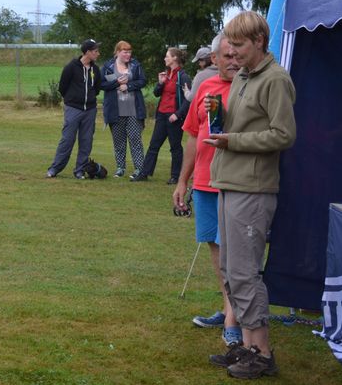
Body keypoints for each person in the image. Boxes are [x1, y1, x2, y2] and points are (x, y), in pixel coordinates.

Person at [205, 11, 296, 379]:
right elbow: (244, 125)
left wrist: (233, 140)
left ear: (259, 41)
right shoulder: (242, 77)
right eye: (230, 45)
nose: (232, 53)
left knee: (245, 272)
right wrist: (221, 114)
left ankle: (262, 353)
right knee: (231, 269)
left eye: (239, 45)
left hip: (254, 188)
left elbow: (283, 135)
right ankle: (245, 346)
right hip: (230, 182)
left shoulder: (276, 79)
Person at [173, 34, 241, 346]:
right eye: (226, 55)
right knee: (216, 247)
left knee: (235, 250)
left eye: (237, 53)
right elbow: (191, 136)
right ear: (214, 59)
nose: (233, 60)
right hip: (203, 181)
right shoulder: (206, 88)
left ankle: (233, 317)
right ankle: (230, 307)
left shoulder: (249, 87)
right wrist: (182, 181)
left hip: (237, 181)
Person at [133, 48, 192, 183]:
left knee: (175, 147)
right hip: (161, 115)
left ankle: (175, 177)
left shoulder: (183, 77)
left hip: (174, 118)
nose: (165, 59)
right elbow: (156, 93)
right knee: (154, 145)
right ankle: (144, 173)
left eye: (167, 56)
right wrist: (160, 82)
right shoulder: (166, 74)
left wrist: (177, 114)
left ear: (175, 59)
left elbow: (189, 99)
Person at [45, 39, 101, 179]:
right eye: (95, 51)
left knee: (86, 141)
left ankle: (80, 170)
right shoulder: (71, 67)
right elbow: (62, 88)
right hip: (73, 109)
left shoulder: (95, 69)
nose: (98, 54)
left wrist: (90, 99)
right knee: (67, 139)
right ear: (87, 52)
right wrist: (72, 100)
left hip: (90, 110)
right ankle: (54, 169)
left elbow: (97, 88)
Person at [100, 41, 147, 179]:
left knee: (135, 139)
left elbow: (142, 81)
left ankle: (139, 169)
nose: (128, 54)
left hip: (133, 109)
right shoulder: (108, 66)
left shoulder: (135, 65)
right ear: (118, 52)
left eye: (129, 52)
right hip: (115, 110)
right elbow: (102, 84)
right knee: (118, 141)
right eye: (125, 52)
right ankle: (120, 167)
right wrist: (116, 83)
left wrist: (129, 86)